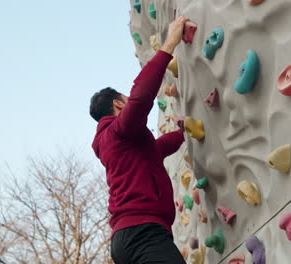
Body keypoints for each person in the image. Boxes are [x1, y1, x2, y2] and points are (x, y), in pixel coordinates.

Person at [89, 16, 190, 264]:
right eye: (125, 99)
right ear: (117, 103)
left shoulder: (117, 142)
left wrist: (183, 133)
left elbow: (155, 150)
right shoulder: (120, 131)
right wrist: (169, 45)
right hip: (142, 231)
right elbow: (141, 97)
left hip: (126, 238)